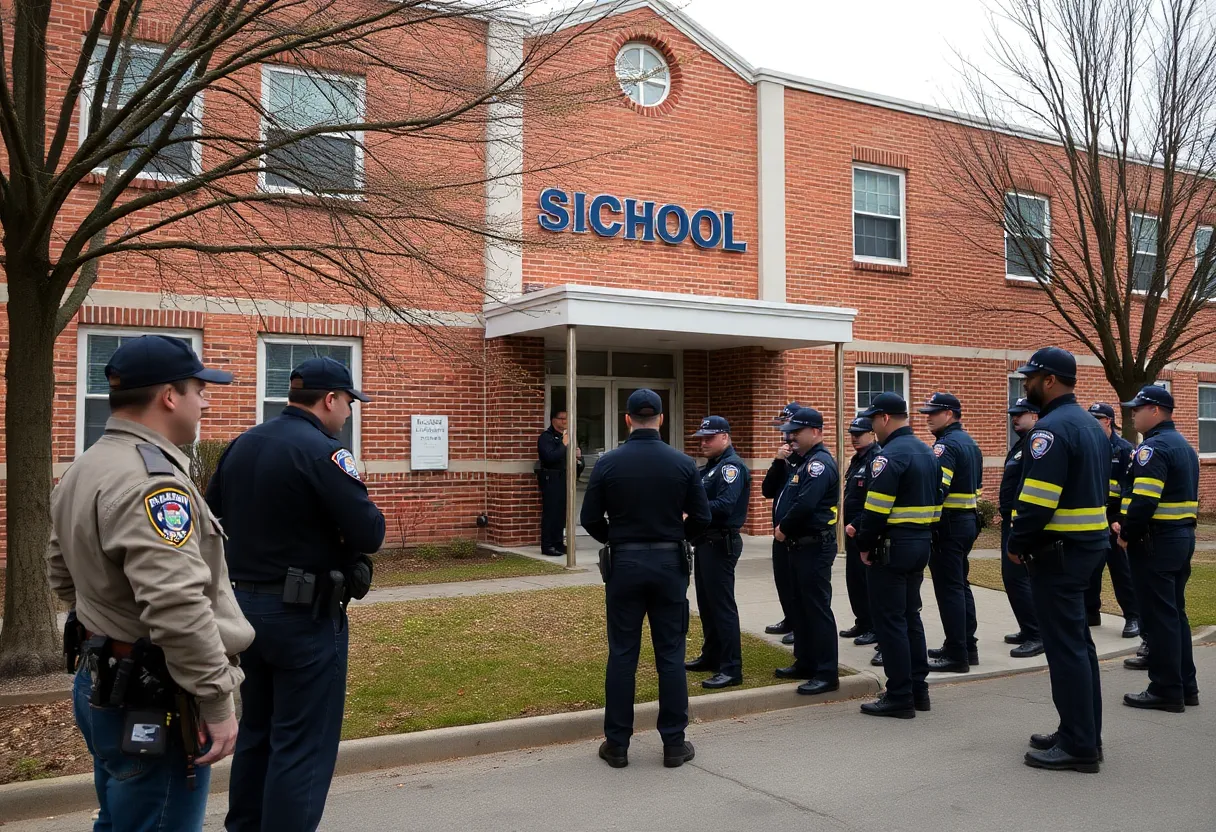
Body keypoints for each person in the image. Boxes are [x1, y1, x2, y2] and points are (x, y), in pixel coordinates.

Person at [46, 335, 254, 831]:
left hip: (104, 680)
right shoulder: (152, 483)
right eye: (199, 389)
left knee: (120, 819)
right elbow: (178, 606)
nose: (205, 401)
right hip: (151, 696)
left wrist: (111, 624)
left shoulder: (87, 465)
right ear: (168, 396)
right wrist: (217, 699)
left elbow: (60, 569)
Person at [209, 356, 386, 831]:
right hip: (302, 616)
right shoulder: (325, 451)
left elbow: (215, 518)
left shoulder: (242, 444)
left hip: (244, 610)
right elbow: (369, 531)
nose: (349, 412)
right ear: (329, 399)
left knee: (258, 734)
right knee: (302, 745)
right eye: (349, 402)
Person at [580, 388, 711, 769]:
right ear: (661, 419)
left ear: (627, 420)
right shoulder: (683, 463)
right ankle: (674, 743)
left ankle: (617, 744)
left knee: (623, 653)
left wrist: (618, 539)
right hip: (670, 564)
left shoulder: (608, 463)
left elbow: (590, 519)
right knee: (670, 654)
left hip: (626, 564)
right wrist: (677, 536)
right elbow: (702, 519)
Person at [1008, 347, 1108, 773]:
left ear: (1049, 380)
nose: (1025, 383)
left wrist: (1017, 540)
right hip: (1083, 550)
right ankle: (1080, 731)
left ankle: (1079, 746)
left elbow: (1037, 500)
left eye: (1031, 377)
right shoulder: (1088, 424)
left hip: (1059, 554)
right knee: (1079, 646)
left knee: (1066, 649)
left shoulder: (1049, 430)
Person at [852, 392, 938, 718]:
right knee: (910, 617)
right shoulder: (927, 452)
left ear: (884, 418)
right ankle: (919, 690)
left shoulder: (888, 456)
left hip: (891, 548)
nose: (872, 427)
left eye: (873, 420)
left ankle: (899, 695)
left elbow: (874, 510)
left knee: (890, 622)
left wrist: (863, 544)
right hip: (919, 545)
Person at [1117, 385, 1200, 712]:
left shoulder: (1152, 449)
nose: (1132, 414)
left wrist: (1127, 533)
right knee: (1174, 614)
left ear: (1155, 410)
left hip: (1156, 541)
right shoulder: (1184, 446)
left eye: (1137, 409)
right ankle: (1185, 685)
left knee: (1159, 617)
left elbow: (1144, 501)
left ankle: (1166, 689)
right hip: (1180, 539)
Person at [772, 407, 841, 696]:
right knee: (799, 607)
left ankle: (826, 673)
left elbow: (806, 504)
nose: (791, 437)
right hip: (799, 547)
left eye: (797, 432)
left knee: (816, 608)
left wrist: (783, 528)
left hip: (814, 545)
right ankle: (805, 661)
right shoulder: (803, 462)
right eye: (790, 432)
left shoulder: (819, 464)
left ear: (816, 432)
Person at [685, 416, 751, 689]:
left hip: (720, 542)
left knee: (722, 607)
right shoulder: (712, 467)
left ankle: (731, 668)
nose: (704, 442)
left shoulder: (731, 467)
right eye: (701, 438)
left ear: (725, 437)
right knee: (708, 605)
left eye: (709, 437)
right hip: (706, 542)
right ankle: (711, 656)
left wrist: (692, 513)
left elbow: (725, 504)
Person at [920, 392, 982, 673]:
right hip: (965, 521)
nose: (928, 418)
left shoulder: (944, 447)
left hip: (948, 525)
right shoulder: (969, 442)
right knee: (960, 584)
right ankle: (967, 646)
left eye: (933, 412)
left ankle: (957, 654)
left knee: (950, 589)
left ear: (949, 414)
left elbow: (937, 489)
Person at [1086, 402, 1141, 638]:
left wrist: (1119, 518)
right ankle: (1090, 613)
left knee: (1121, 571)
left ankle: (1133, 617)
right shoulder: (1087, 447)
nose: (1091, 423)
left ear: (1108, 421)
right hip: (1090, 519)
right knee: (1089, 569)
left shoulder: (1124, 450)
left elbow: (1129, 488)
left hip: (1114, 520)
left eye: (1095, 419)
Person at [998, 397, 1043, 658]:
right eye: (1013, 414)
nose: (1014, 418)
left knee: (1017, 578)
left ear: (1035, 416)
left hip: (1020, 522)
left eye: (1020, 414)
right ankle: (1028, 629)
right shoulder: (1021, 444)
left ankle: (1037, 633)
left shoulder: (1036, 445)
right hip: (1010, 520)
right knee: (1014, 579)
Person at [761, 401, 803, 645]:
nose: (783, 434)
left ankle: (800, 624)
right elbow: (767, 490)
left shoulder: (807, 459)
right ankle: (790, 618)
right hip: (780, 532)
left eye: (787, 429)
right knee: (783, 579)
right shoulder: (785, 458)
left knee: (798, 583)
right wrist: (778, 462)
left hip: (796, 533)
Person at [840, 416, 881, 647]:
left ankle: (874, 627)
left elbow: (873, 498)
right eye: (852, 434)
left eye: (860, 433)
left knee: (867, 582)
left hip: (864, 529)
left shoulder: (876, 458)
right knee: (854, 580)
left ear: (872, 433)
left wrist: (857, 523)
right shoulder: (857, 460)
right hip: (852, 530)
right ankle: (863, 622)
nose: (855, 438)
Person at [536, 408, 585, 556]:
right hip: (551, 479)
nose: (565, 422)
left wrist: (579, 459)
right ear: (553, 420)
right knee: (551, 513)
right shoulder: (546, 437)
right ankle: (548, 545)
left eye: (567, 419)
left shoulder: (568, 437)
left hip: (566, 479)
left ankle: (558, 543)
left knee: (562, 514)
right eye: (562, 418)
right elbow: (550, 458)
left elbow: (578, 464)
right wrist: (563, 445)